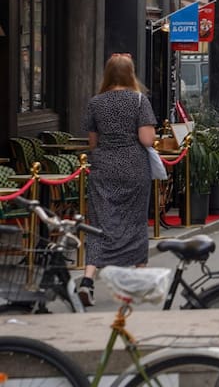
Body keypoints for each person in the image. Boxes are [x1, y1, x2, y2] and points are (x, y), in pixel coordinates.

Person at [77, 54, 158, 306]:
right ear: (130, 73)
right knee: (135, 220)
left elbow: (92, 142)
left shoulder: (96, 102)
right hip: (134, 167)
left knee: (101, 222)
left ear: (108, 74)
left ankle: (88, 279)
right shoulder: (138, 100)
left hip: (104, 168)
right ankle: (140, 279)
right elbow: (147, 139)